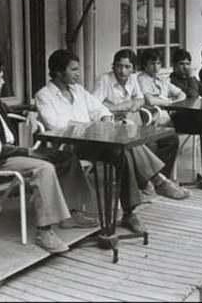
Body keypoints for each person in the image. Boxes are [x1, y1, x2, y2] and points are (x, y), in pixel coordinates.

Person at [35, 50, 186, 236]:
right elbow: (56, 125)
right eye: (73, 69)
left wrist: (106, 119)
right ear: (58, 72)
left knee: (122, 152)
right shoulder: (44, 95)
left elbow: (100, 109)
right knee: (123, 145)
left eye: (78, 69)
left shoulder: (78, 90)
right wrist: (92, 126)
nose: (78, 73)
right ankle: (156, 179)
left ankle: (130, 213)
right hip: (68, 146)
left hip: (93, 142)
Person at [0, 53, 97, 254]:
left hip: (11, 152)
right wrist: (26, 150)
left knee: (66, 157)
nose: (3, 81)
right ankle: (44, 231)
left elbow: (19, 110)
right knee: (44, 167)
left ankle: (72, 214)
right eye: (0, 77)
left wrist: (32, 113)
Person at [92, 48, 189, 199]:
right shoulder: (105, 80)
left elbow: (141, 100)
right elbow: (94, 106)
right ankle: (152, 182)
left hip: (132, 124)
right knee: (146, 145)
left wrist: (127, 104)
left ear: (133, 68)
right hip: (111, 127)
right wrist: (123, 106)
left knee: (170, 139)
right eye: (118, 66)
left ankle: (158, 180)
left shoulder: (133, 79)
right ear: (113, 66)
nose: (122, 71)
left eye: (127, 67)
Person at [136, 49, 186, 126]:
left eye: (158, 63)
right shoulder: (141, 79)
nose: (156, 67)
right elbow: (150, 101)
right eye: (152, 64)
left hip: (165, 114)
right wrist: (169, 102)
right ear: (145, 65)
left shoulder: (161, 79)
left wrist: (172, 103)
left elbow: (182, 94)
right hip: (152, 116)